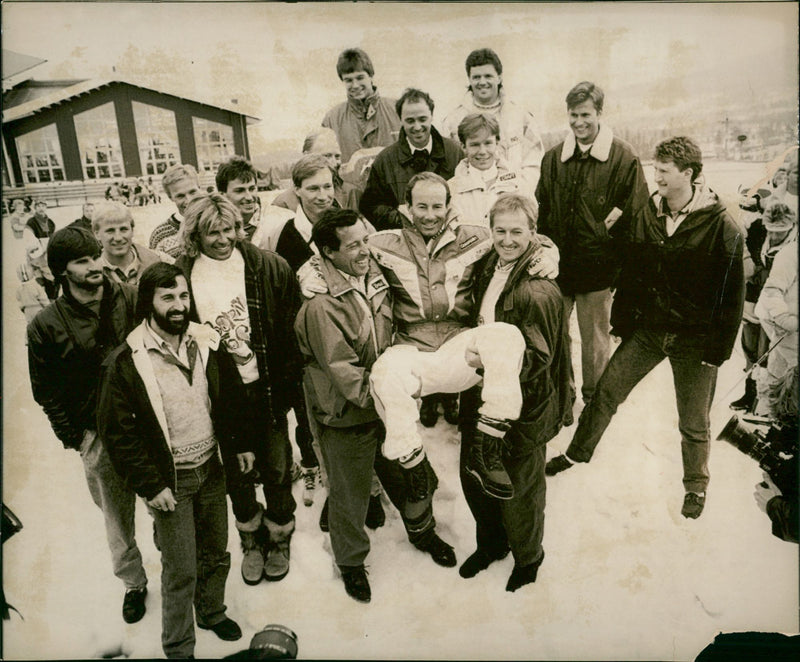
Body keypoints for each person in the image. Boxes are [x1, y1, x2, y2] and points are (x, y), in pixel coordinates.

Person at [545, 137, 745, 521]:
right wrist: (624, 322)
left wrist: (716, 351)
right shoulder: (647, 214)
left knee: (694, 420)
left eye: (665, 172)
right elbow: (632, 271)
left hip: (694, 341)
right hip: (650, 331)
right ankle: (576, 453)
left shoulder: (722, 227)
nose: (657, 178)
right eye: (656, 170)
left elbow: (731, 299)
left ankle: (696, 486)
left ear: (688, 174)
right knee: (606, 393)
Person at [295, 208, 458, 602]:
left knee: (415, 479)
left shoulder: (376, 277)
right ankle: (351, 563)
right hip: (347, 413)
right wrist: (391, 396)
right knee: (349, 496)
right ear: (328, 254)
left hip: (387, 403)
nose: (365, 250)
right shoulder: (321, 305)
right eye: (353, 245)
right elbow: (342, 370)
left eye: (365, 239)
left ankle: (423, 533)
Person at [98, 263, 247, 657]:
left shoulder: (206, 342)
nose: (178, 305)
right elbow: (120, 435)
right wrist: (151, 485)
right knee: (181, 569)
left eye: (183, 296)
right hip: (171, 482)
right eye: (167, 298)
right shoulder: (127, 361)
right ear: (148, 302)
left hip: (210, 469)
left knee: (216, 551)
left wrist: (241, 445)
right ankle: (179, 647)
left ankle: (212, 611)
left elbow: (229, 398)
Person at [176, 194, 301, 585]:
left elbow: (290, 326)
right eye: (212, 232)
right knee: (237, 473)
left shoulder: (267, 265)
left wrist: (287, 385)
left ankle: (280, 534)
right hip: (218, 394)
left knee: (278, 466)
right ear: (195, 233)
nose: (222, 239)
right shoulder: (183, 272)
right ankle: (251, 537)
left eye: (228, 229)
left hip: (265, 388)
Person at [27, 226, 148, 624]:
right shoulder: (45, 324)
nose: (95, 265)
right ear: (62, 271)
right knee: (116, 518)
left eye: (96, 256)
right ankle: (133, 583)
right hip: (97, 436)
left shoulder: (130, 298)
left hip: (146, 424)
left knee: (167, 502)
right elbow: (46, 392)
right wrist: (78, 438)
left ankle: (181, 569)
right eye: (83, 261)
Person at [459, 193, 573, 592]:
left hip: (524, 404)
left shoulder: (537, 290)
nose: (507, 240)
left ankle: (528, 556)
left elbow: (536, 359)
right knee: (476, 474)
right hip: (484, 394)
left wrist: (480, 361)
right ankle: (491, 544)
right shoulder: (493, 262)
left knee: (521, 487)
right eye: (500, 231)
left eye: (517, 232)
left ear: (533, 232)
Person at [535, 81, 650, 405]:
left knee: (596, 341)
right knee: (555, 335)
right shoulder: (553, 158)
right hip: (557, 267)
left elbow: (635, 217)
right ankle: (562, 395)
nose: (578, 122)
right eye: (573, 115)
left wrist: (620, 271)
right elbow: (541, 211)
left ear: (599, 112)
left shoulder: (623, 158)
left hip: (599, 269)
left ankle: (594, 402)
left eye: (585, 114)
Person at [359, 88, 463, 231]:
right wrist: (402, 219)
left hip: (449, 234)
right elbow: (371, 206)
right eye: (410, 121)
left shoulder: (454, 152)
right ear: (400, 120)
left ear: (431, 116)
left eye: (422, 119)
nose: (417, 127)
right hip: (404, 238)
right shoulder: (385, 160)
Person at [442, 48, 545, 187]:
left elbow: (534, 165)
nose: (482, 82)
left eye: (488, 76)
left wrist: (517, 193)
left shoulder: (521, 118)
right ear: (469, 79)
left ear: (499, 77)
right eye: (476, 77)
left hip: (512, 198)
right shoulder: (453, 121)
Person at [735, 201, 797, 413]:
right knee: (750, 349)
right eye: (772, 230)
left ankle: (768, 406)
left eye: (781, 231)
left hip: (783, 311)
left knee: (768, 355)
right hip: (756, 301)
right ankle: (749, 395)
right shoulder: (758, 231)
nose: (775, 236)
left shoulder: (793, 248)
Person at [448, 113, 534, 227]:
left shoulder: (518, 184)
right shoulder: (451, 189)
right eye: (475, 145)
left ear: (497, 143)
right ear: (463, 147)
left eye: (488, 143)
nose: (482, 151)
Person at [321, 48, 401, 165]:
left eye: (360, 78)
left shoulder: (398, 109)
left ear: (371, 76)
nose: (355, 85)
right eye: (348, 80)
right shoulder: (331, 120)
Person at [754, 213, 798, 418]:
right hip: (782, 322)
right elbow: (773, 290)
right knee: (786, 372)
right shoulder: (790, 255)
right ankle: (772, 418)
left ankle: (772, 418)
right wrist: (783, 318)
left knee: (780, 368)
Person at [93, 201, 172, 287]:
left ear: (132, 230)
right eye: (110, 231)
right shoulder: (91, 270)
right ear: (97, 234)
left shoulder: (159, 261)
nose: (118, 238)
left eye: (123, 229)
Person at [271, 128, 347, 212]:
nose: (334, 163)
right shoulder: (284, 204)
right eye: (327, 156)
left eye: (337, 156)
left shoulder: (351, 194)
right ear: (306, 156)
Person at [149, 164, 204, 258]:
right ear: (170, 197)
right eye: (180, 196)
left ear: (199, 187)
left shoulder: (217, 222)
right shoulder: (160, 235)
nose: (189, 200)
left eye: (192, 192)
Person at [16, 200, 59, 321]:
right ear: (35, 208)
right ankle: (41, 306)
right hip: (36, 253)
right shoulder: (31, 222)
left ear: (46, 207)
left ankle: (51, 302)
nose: (41, 208)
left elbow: (53, 236)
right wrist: (37, 249)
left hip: (48, 252)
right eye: (38, 206)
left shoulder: (50, 221)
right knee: (38, 278)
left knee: (51, 277)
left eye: (43, 206)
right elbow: (29, 239)